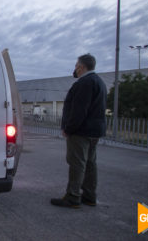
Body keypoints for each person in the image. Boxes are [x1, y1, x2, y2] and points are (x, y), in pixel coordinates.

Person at [51, 54, 107, 208]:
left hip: (81, 132)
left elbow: (79, 111)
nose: (75, 68)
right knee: (90, 163)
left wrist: (69, 129)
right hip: (94, 131)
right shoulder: (99, 82)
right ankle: (89, 196)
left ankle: (73, 197)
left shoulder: (84, 83)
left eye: (76, 65)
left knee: (77, 163)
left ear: (81, 67)